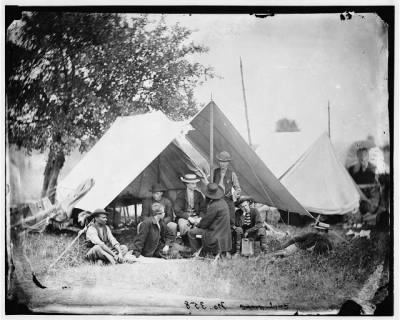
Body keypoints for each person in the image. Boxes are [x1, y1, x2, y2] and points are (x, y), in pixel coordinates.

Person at [188, 183, 232, 255]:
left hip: (215, 234)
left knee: (191, 232)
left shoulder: (214, 206)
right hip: (223, 233)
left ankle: (197, 253)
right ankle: (202, 252)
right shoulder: (223, 202)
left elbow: (205, 223)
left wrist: (197, 224)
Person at [268, 223, 332, 257]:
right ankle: (268, 255)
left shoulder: (326, 243)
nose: (320, 232)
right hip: (298, 248)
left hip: (305, 255)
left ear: (326, 232)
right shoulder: (311, 235)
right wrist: (285, 245)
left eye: (322, 231)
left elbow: (330, 253)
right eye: (319, 230)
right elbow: (298, 238)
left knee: (286, 258)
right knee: (283, 252)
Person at [213, 151, 241, 226]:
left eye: (225, 162)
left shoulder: (232, 174)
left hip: (228, 200)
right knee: (216, 221)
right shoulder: (215, 172)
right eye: (221, 161)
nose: (222, 164)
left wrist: (234, 194)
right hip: (217, 200)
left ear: (228, 162)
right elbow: (211, 185)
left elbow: (238, 189)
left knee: (230, 221)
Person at [174, 173, 206, 239]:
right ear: (187, 184)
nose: (195, 185)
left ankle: (197, 243)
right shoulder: (181, 195)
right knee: (183, 225)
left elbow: (203, 209)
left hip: (197, 217)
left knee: (205, 224)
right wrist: (188, 218)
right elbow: (177, 210)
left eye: (195, 183)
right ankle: (186, 241)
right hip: (185, 217)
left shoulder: (199, 194)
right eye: (193, 184)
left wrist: (199, 218)